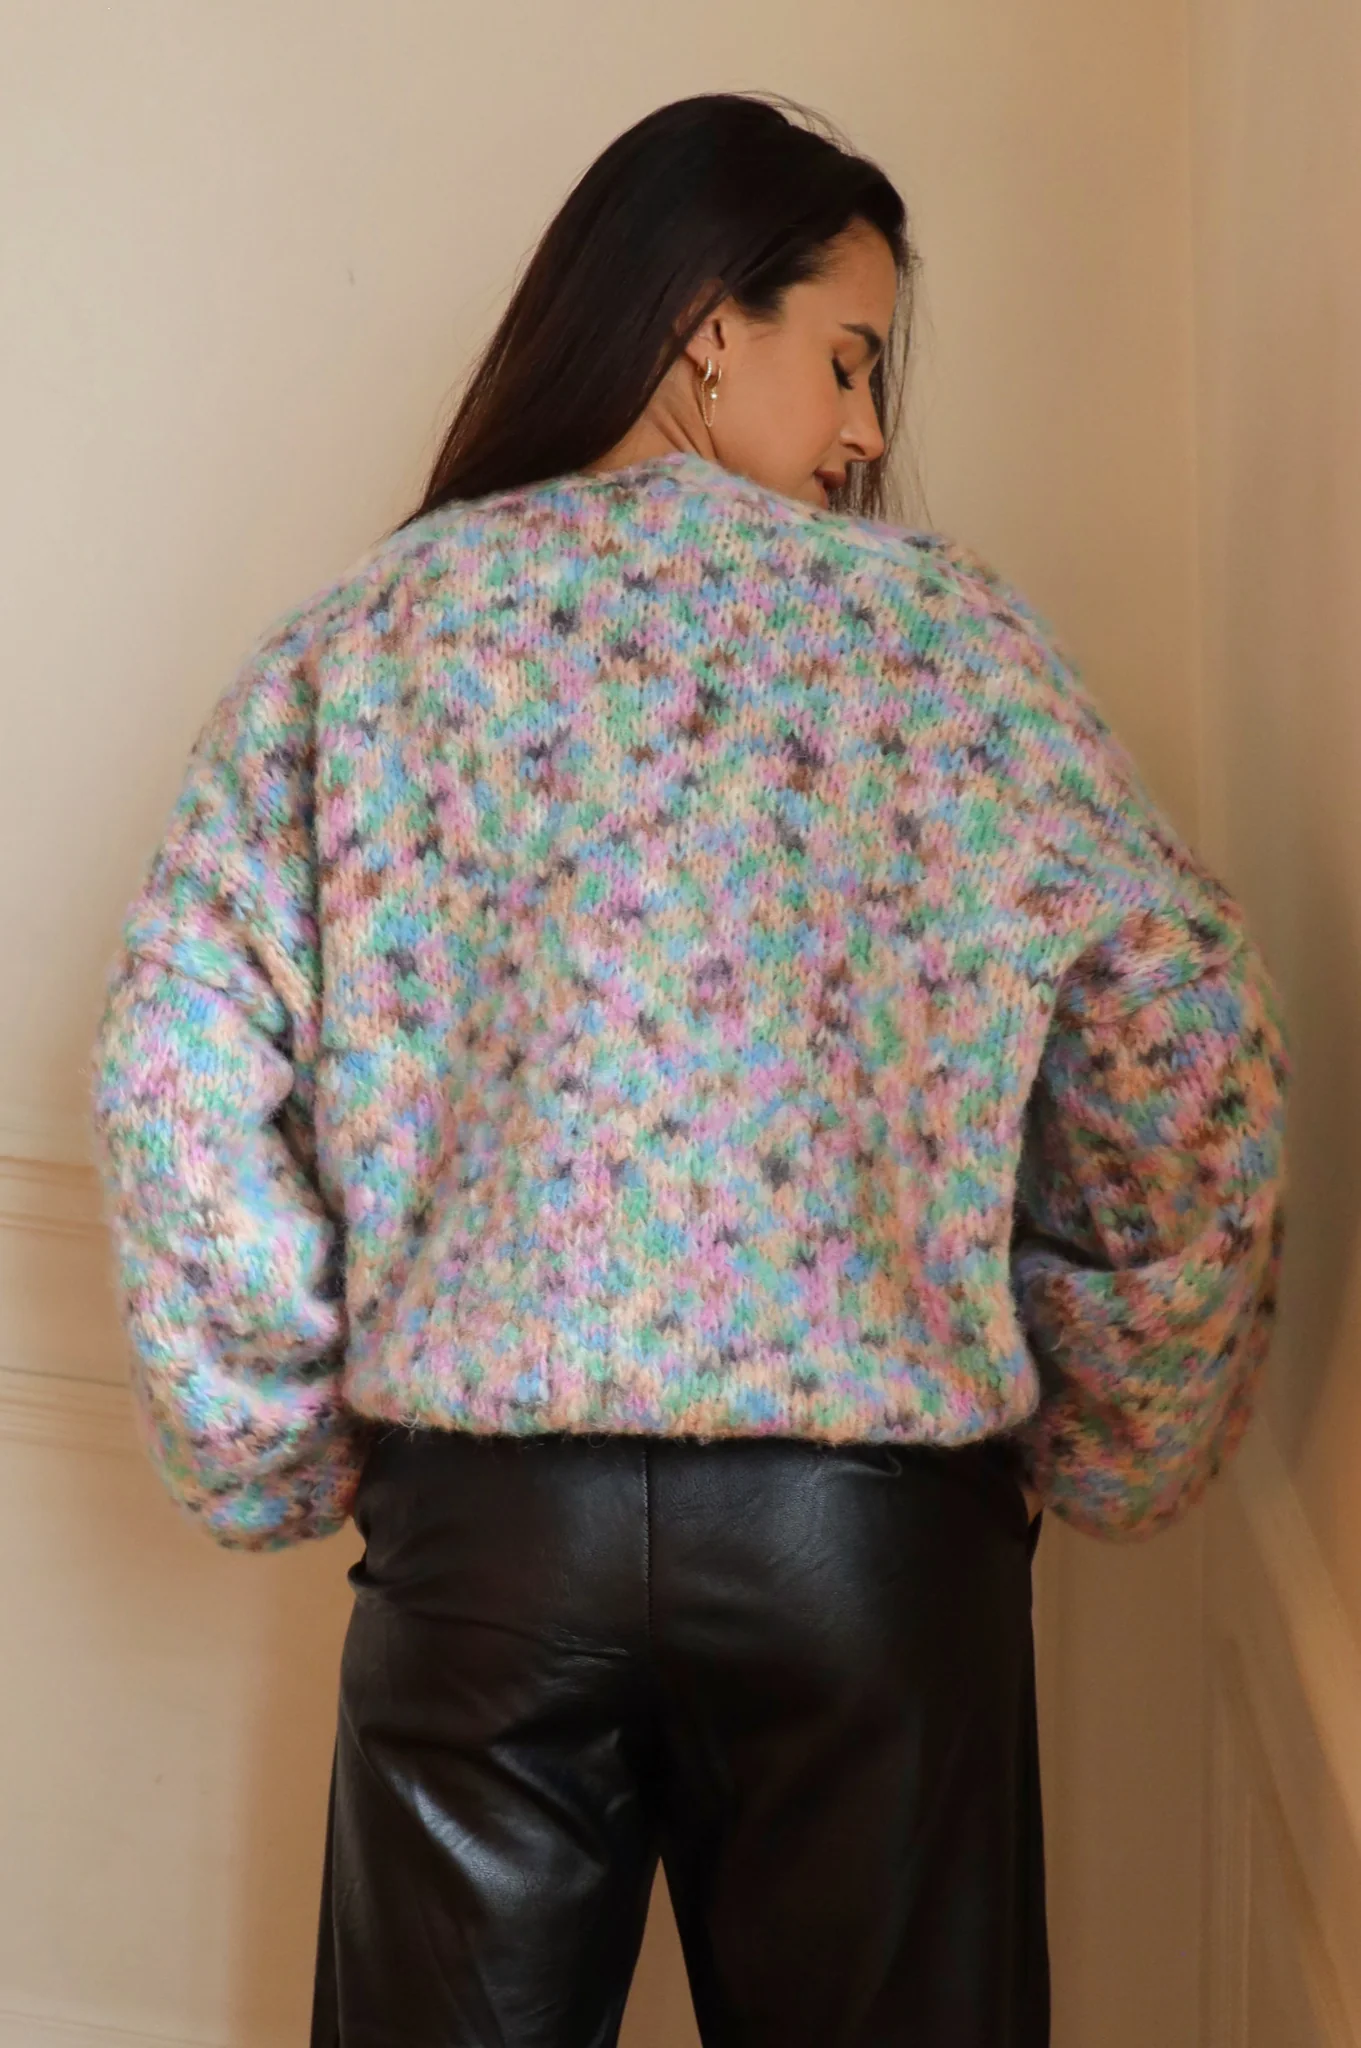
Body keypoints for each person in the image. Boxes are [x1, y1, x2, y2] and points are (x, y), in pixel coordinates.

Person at [89, 91, 1288, 2048]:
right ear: (703, 324)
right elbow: (1179, 1033)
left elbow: (174, 1067)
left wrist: (276, 1440)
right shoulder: (941, 644)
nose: (867, 429)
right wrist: (1113, 1420)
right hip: (865, 1562)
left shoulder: (373, 638)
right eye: (850, 355)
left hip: (489, 1555)